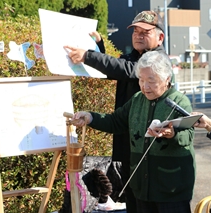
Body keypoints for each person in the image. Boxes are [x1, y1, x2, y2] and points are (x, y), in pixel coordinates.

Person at [64, 11, 168, 212]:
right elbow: (117, 67)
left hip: (147, 141)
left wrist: (87, 56)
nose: (138, 35)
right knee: (131, 192)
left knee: (146, 198)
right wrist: (99, 46)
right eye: (135, 31)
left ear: (160, 37)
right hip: (129, 134)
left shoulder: (157, 60)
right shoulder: (134, 56)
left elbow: (129, 70)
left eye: (145, 32)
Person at [71, 51, 195, 213]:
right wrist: (90, 117)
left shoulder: (180, 101)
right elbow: (115, 121)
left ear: (167, 79)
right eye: (141, 80)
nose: (145, 86)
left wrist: (172, 134)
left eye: (151, 81)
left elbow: (188, 136)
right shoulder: (137, 99)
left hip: (171, 188)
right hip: (141, 187)